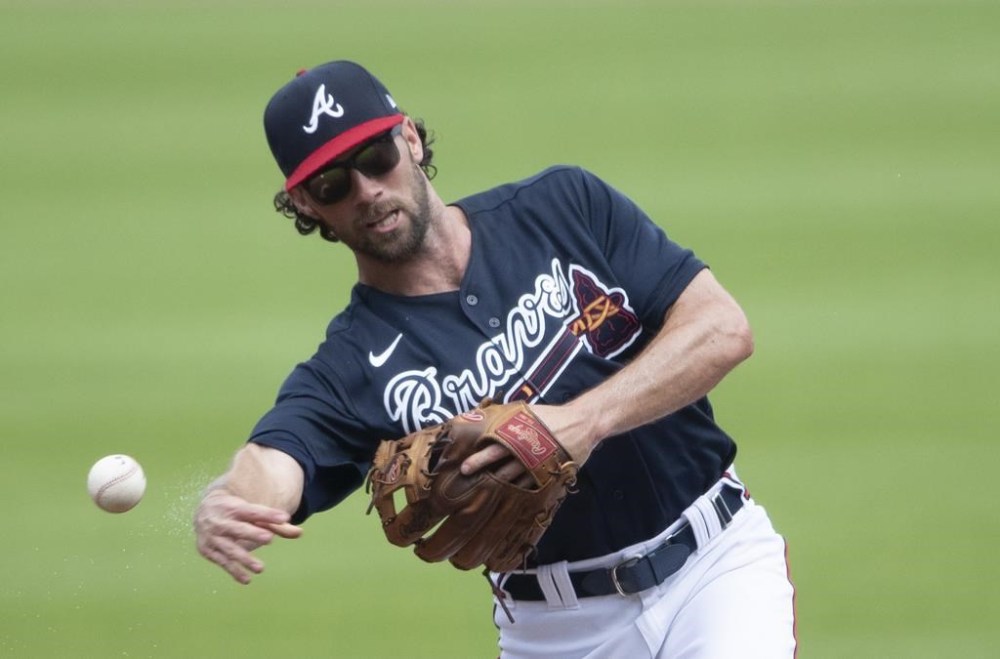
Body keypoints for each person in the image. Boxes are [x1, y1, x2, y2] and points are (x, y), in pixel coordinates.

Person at [193, 59, 797, 658]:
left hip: (715, 571)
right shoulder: (350, 365)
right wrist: (231, 499)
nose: (367, 191)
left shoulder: (564, 208)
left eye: (375, 158)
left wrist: (581, 424)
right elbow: (274, 462)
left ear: (408, 138)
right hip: (560, 633)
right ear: (304, 203)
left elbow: (722, 329)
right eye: (332, 184)